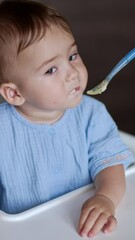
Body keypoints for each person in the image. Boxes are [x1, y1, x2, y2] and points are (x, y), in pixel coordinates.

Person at [0, 0, 134, 238]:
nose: (73, 73)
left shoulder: (91, 114)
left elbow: (111, 164)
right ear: (14, 93)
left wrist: (105, 197)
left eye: (72, 56)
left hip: (80, 226)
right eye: (51, 69)